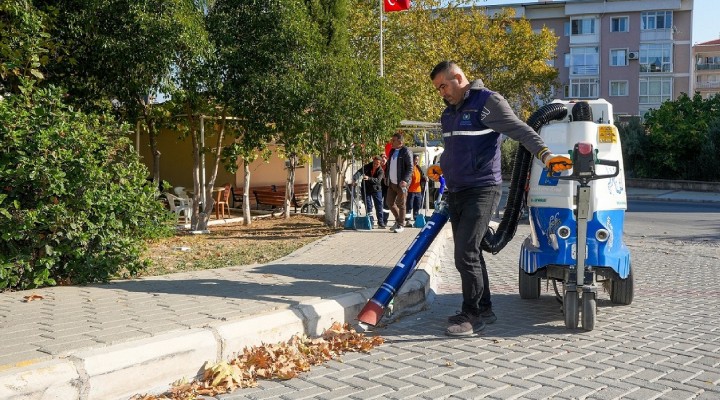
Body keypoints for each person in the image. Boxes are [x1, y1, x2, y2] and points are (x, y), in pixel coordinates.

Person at [429, 60, 572, 336]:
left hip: (482, 190)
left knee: (465, 253)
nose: (441, 93)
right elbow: (453, 150)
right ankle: (484, 308)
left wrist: (546, 155)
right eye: (438, 89)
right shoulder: (449, 114)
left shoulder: (488, 102)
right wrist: (441, 166)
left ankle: (472, 316)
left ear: (458, 77)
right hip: (456, 191)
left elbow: (520, 130)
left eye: (443, 86)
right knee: (471, 252)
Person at [385, 133, 413, 233]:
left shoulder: (406, 152)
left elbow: (410, 167)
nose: (391, 142)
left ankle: (401, 225)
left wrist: (405, 180)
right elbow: (389, 166)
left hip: (401, 183)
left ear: (400, 142)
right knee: (389, 202)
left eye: (393, 140)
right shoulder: (392, 151)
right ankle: (398, 220)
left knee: (401, 204)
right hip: (392, 182)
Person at [358, 156, 386, 228]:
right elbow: (359, 172)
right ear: (373, 161)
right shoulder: (367, 166)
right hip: (366, 188)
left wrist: (369, 178)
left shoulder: (381, 171)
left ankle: (380, 222)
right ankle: (370, 221)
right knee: (368, 205)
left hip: (376, 189)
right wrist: (354, 179)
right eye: (374, 163)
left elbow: (378, 180)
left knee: (378, 205)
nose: (375, 165)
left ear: (380, 164)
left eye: (377, 164)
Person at [405, 154, 426, 225]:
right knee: (409, 206)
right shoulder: (409, 168)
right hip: (410, 191)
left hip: (418, 190)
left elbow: (422, 176)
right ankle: (407, 220)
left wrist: (425, 179)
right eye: (415, 160)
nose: (416, 161)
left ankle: (416, 219)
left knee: (417, 205)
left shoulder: (418, 168)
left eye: (417, 160)